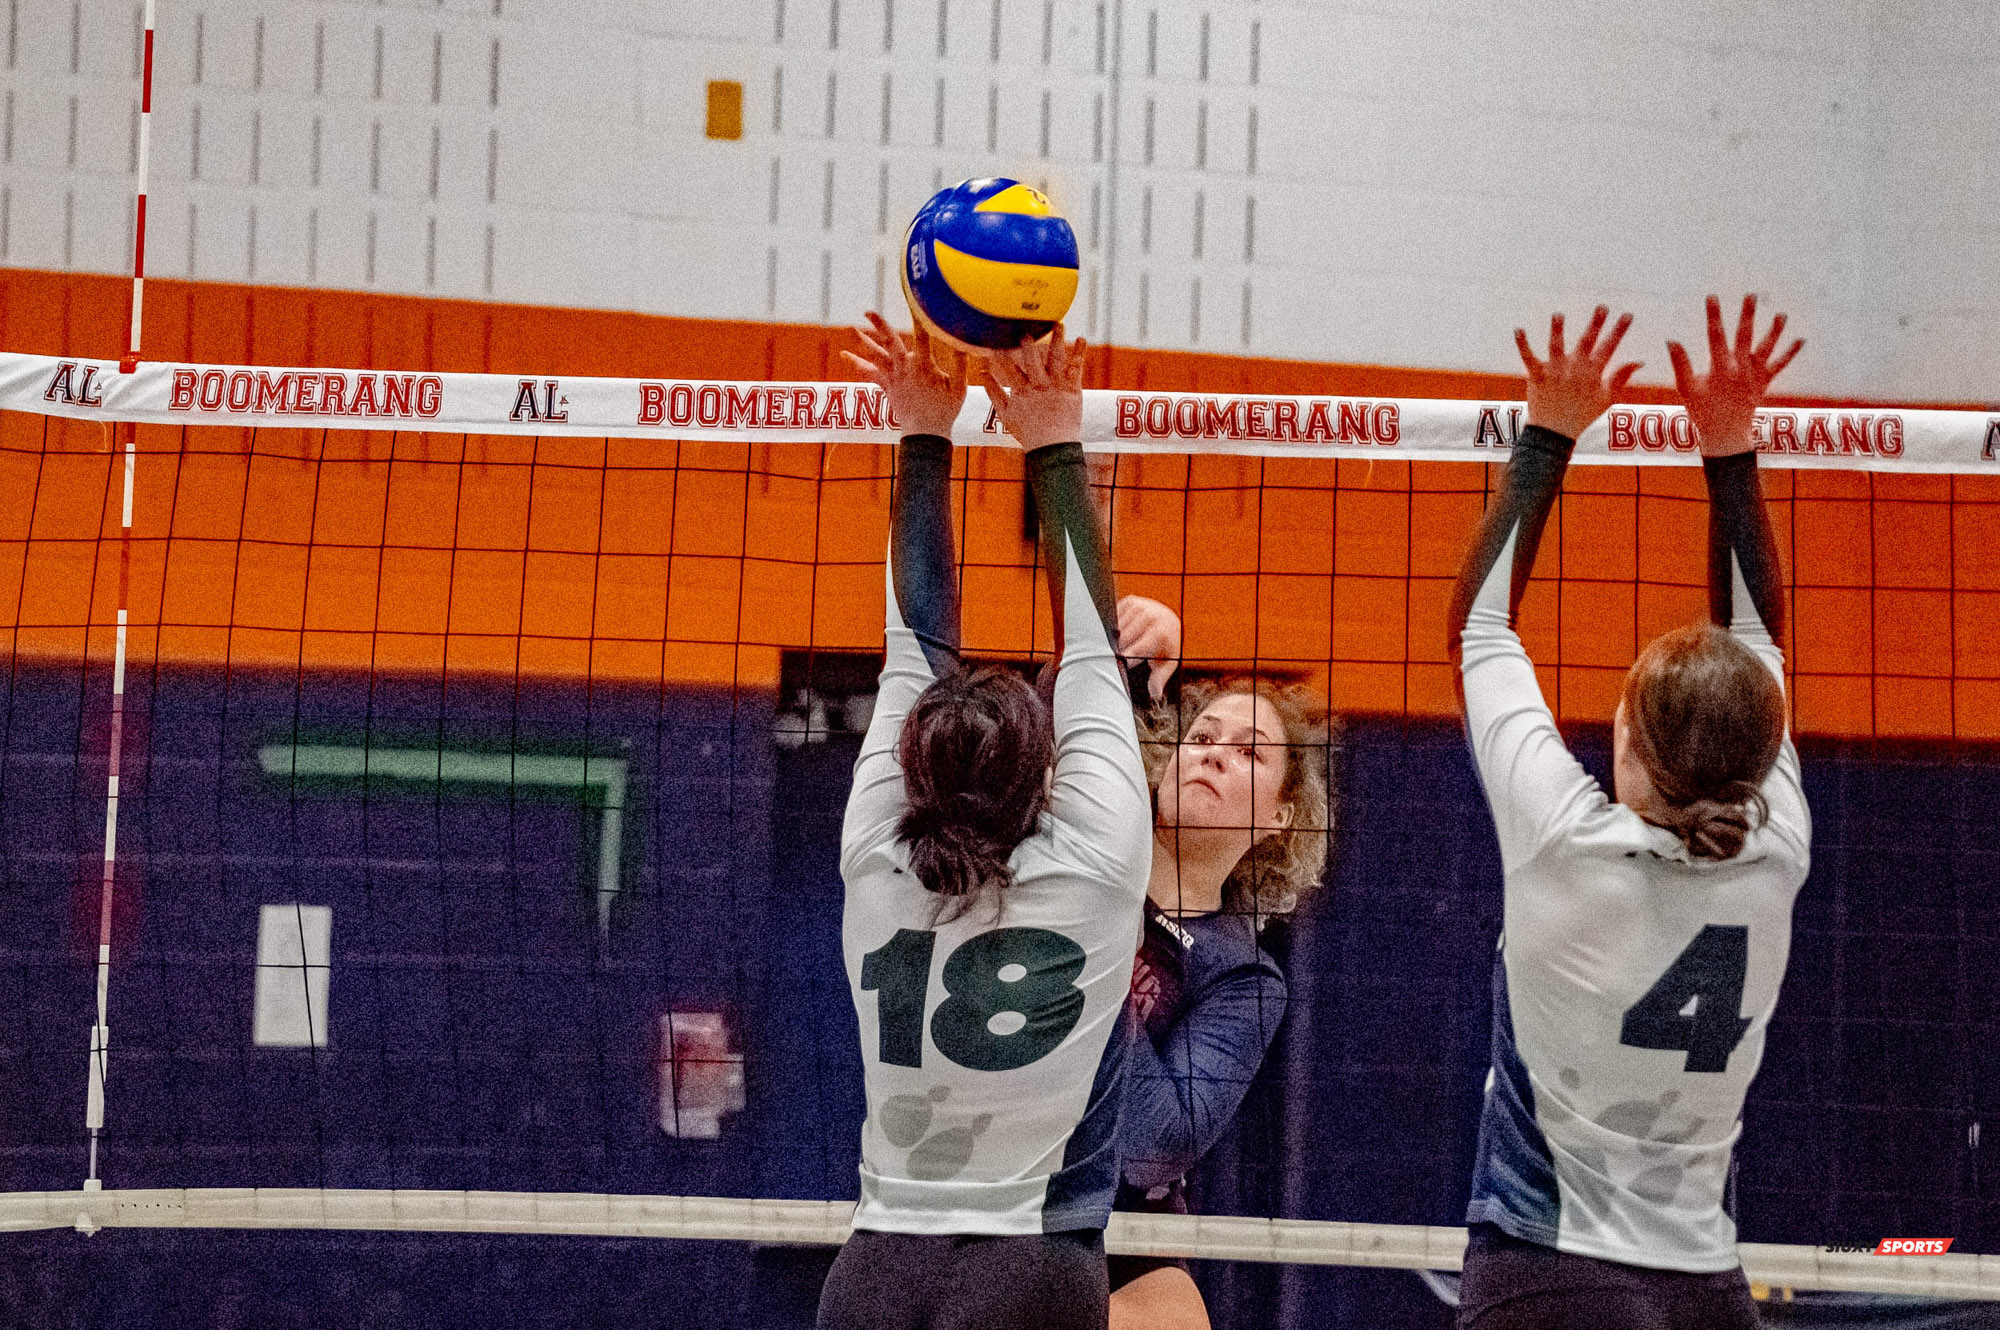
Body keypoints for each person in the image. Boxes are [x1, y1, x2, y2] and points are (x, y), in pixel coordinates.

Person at [1448, 296, 1811, 1330]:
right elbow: (1757, 640)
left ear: (1629, 746)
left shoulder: (1566, 843)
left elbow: (1479, 628)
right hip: (1703, 1287)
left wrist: (1549, 427)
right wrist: (1728, 446)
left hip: (1547, 1273)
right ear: (1760, 747)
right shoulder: (1774, 847)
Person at [817, 314, 1152, 1330]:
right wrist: (1049, 437)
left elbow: (913, 640)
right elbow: (1092, 650)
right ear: (1044, 771)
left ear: (912, 767)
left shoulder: (875, 856)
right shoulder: (1093, 860)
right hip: (1031, 1277)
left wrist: (924, 430)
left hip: (872, 1276)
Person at [1104, 655, 1332, 1330]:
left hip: (1121, 1234)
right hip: (996, 1197)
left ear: (1280, 817)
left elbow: (1151, 1144)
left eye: (1249, 752)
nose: (1214, 757)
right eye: (1200, 739)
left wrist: (1094, 946)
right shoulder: (1078, 862)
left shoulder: (1246, 978)